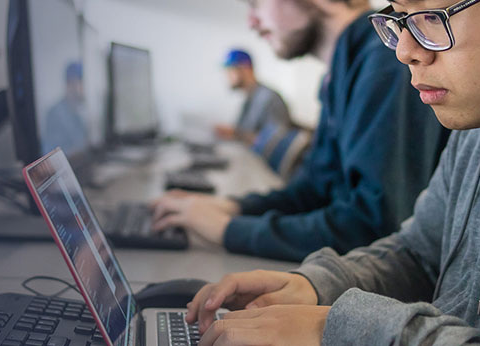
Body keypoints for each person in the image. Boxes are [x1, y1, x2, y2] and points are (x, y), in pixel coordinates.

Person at [185, 0, 480, 344]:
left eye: (431, 17)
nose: (405, 51)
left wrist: (342, 328)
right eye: (399, 20)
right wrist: (316, 285)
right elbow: (421, 255)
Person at [151, 0, 448, 261]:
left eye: (256, 4)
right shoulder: (340, 76)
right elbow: (313, 191)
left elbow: (375, 225)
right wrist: (233, 207)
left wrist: (228, 230)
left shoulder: (385, 64)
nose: (252, 22)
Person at [214, 49, 292, 145]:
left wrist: (236, 134)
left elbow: (275, 143)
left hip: (259, 159)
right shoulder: (250, 97)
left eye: (230, 70)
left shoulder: (269, 98)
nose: (226, 76)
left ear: (246, 69)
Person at [42, 62, 89, 155]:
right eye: (82, 82)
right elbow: (50, 153)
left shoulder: (78, 113)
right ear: (71, 83)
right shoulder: (55, 113)